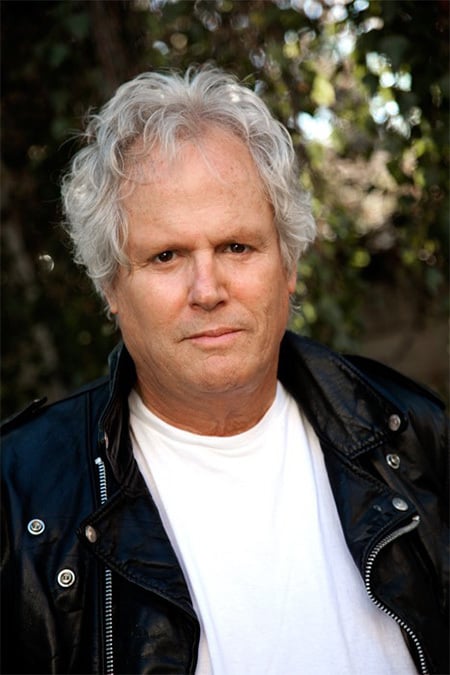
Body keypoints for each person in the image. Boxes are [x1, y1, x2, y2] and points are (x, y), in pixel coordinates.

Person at [1, 66, 448, 675]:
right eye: (166, 256)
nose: (207, 290)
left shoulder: (416, 439)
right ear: (110, 286)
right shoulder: (20, 501)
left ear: (288, 264)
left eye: (237, 247)